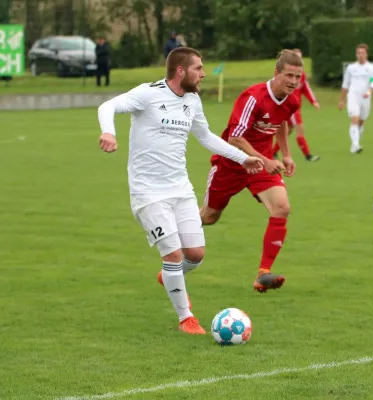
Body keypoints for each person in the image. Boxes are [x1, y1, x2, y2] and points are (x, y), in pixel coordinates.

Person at [96, 47, 263, 335]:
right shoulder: (148, 93)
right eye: (199, 68)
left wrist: (242, 157)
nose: (204, 73)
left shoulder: (192, 100)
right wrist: (108, 131)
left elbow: (206, 137)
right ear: (180, 71)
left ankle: (169, 277)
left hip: (181, 189)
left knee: (195, 255)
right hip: (149, 193)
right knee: (173, 255)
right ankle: (186, 318)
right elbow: (107, 106)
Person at [200, 50, 302, 293]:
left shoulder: (292, 100)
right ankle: (173, 244)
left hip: (261, 164)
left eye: (297, 77)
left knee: (282, 207)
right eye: (289, 75)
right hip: (232, 163)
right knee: (209, 217)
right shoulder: (253, 98)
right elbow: (235, 138)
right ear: (276, 73)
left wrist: (286, 154)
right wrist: (265, 159)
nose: (293, 82)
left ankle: (263, 273)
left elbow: (281, 122)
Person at [272, 48, 320, 162]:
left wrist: (314, 102)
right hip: (291, 109)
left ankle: (273, 152)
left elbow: (306, 89)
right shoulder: (285, 75)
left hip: (295, 107)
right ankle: (308, 155)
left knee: (287, 131)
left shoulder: (301, 76)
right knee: (299, 129)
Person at [338, 43, 373, 154]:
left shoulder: (372, 68)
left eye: (362, 53)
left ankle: (355, 143)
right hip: (353, 96)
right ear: (356, 54)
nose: (360, 55)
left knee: (361, 121)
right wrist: (341, 100)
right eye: (358, 53)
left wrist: (369, 92)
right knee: (354, 119)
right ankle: (356, 145)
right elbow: (345, 84)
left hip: (365, 97)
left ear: (366, 54)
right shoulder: (351, 68)